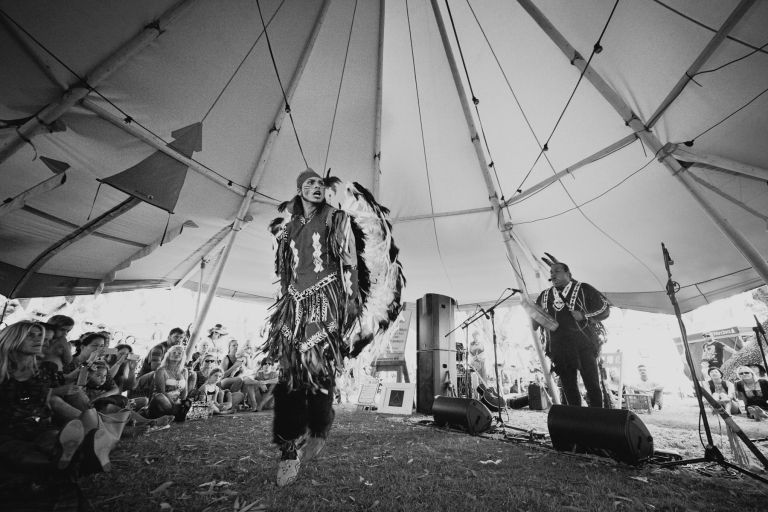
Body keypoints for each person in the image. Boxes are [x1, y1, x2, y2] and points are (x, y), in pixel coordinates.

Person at [263, 168, 363, 487]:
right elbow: (285, 271)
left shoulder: (335, 218)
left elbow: (349, 261)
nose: (317, 187)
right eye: (310, 184)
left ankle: (319, 425)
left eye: (321, 184)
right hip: (294, 304)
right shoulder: (289, 227)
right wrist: (285, 306)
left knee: (318, 369)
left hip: (327, 297)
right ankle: (289, 446)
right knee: (290, 372)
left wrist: (351, 302)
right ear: (299, 191)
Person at [533, 260, 609, 408]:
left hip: (584, 345)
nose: (553, 274)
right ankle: (576, 422)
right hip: (560, 348)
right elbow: (535, 321)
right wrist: (532, 312)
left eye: (557, 271)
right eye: (551, 272)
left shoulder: (583, 289)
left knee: (592, 385)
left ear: (568, 274)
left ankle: (597, 421)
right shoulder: (545, 295)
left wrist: (584, 315)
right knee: (569, 388)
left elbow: (604, 309)